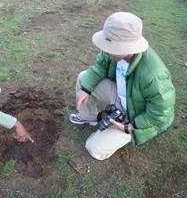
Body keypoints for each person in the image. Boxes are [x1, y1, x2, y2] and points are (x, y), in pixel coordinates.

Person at [69, 12, 175, 160]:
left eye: (110, 46)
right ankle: (89, 117)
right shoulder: (113, 53)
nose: (105, 49)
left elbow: (160, 113)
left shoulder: (154, 75)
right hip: (121, 96)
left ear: (127, 47)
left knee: (94, 149)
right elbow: (99, 67)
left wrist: (130, 126)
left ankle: (121, 132)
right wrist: (85, 89)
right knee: (83, 78)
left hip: (137, 115)